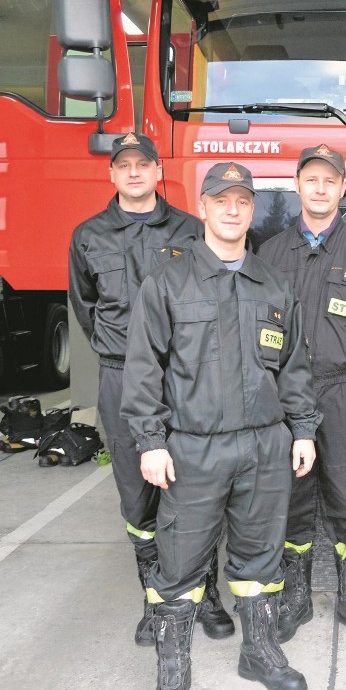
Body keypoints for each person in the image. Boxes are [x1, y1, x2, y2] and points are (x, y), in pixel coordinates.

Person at [121, 162, 320, 690]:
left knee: (261, 554)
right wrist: (150, 442)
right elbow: (143, 370)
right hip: (192, 449)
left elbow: (295, 367)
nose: (232, 209)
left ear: (251, 210)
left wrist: (302, 430)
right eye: (221, 199)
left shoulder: (274, 286)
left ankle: (259, 653)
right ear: (203, 207)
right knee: (180, 560)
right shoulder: (168, 283)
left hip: (264, 446)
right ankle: (174, 667)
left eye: (242, 201)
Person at [68, 132, 233, 646]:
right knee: (138, 498)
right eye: (125, 165)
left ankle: (205, 594)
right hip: (121, 377)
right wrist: (122, 351)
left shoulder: (189, 228)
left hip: (184, 377)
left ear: (159, 171)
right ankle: (156, 601)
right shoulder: (88, 235)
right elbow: (84, 304)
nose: (134, 172)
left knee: (194, 490)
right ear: (111, 174)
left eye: (144, 164)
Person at [258, 145, 346, 645]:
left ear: (342, 188)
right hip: (286, 399)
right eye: (311, 180)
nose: (320, 189)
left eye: (329, 181)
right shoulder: (271, 254)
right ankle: (295, 601)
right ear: (297, 185)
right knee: (292, 502)